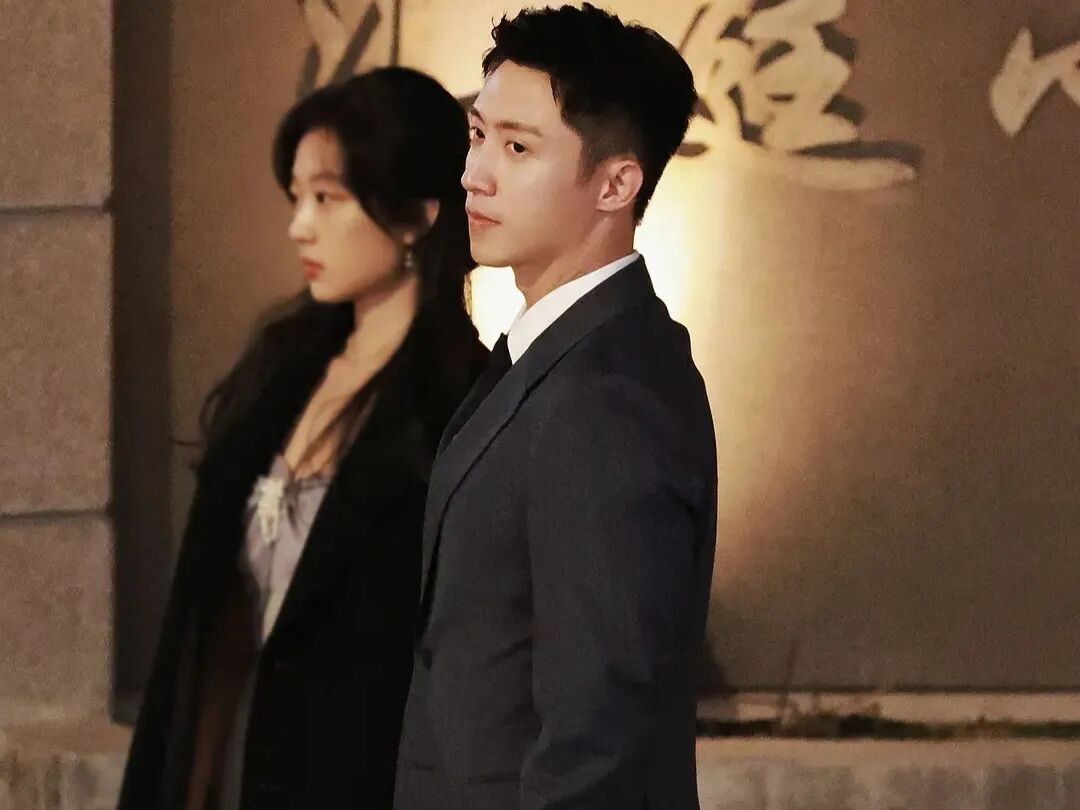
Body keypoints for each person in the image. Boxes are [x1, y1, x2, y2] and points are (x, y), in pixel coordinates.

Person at [118, 67, 487, 810]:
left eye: (327, 198)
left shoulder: (458, 407)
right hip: (220, 763)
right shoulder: (279, 371)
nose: (300, 226)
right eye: (297, 198)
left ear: (415, 215)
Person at [394, 5, 718, 809]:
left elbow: (598, 738)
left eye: (517, 148)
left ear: (616, 183)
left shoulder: (608, 396)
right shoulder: (553, 357)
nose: (475, 174)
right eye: (478, 136)